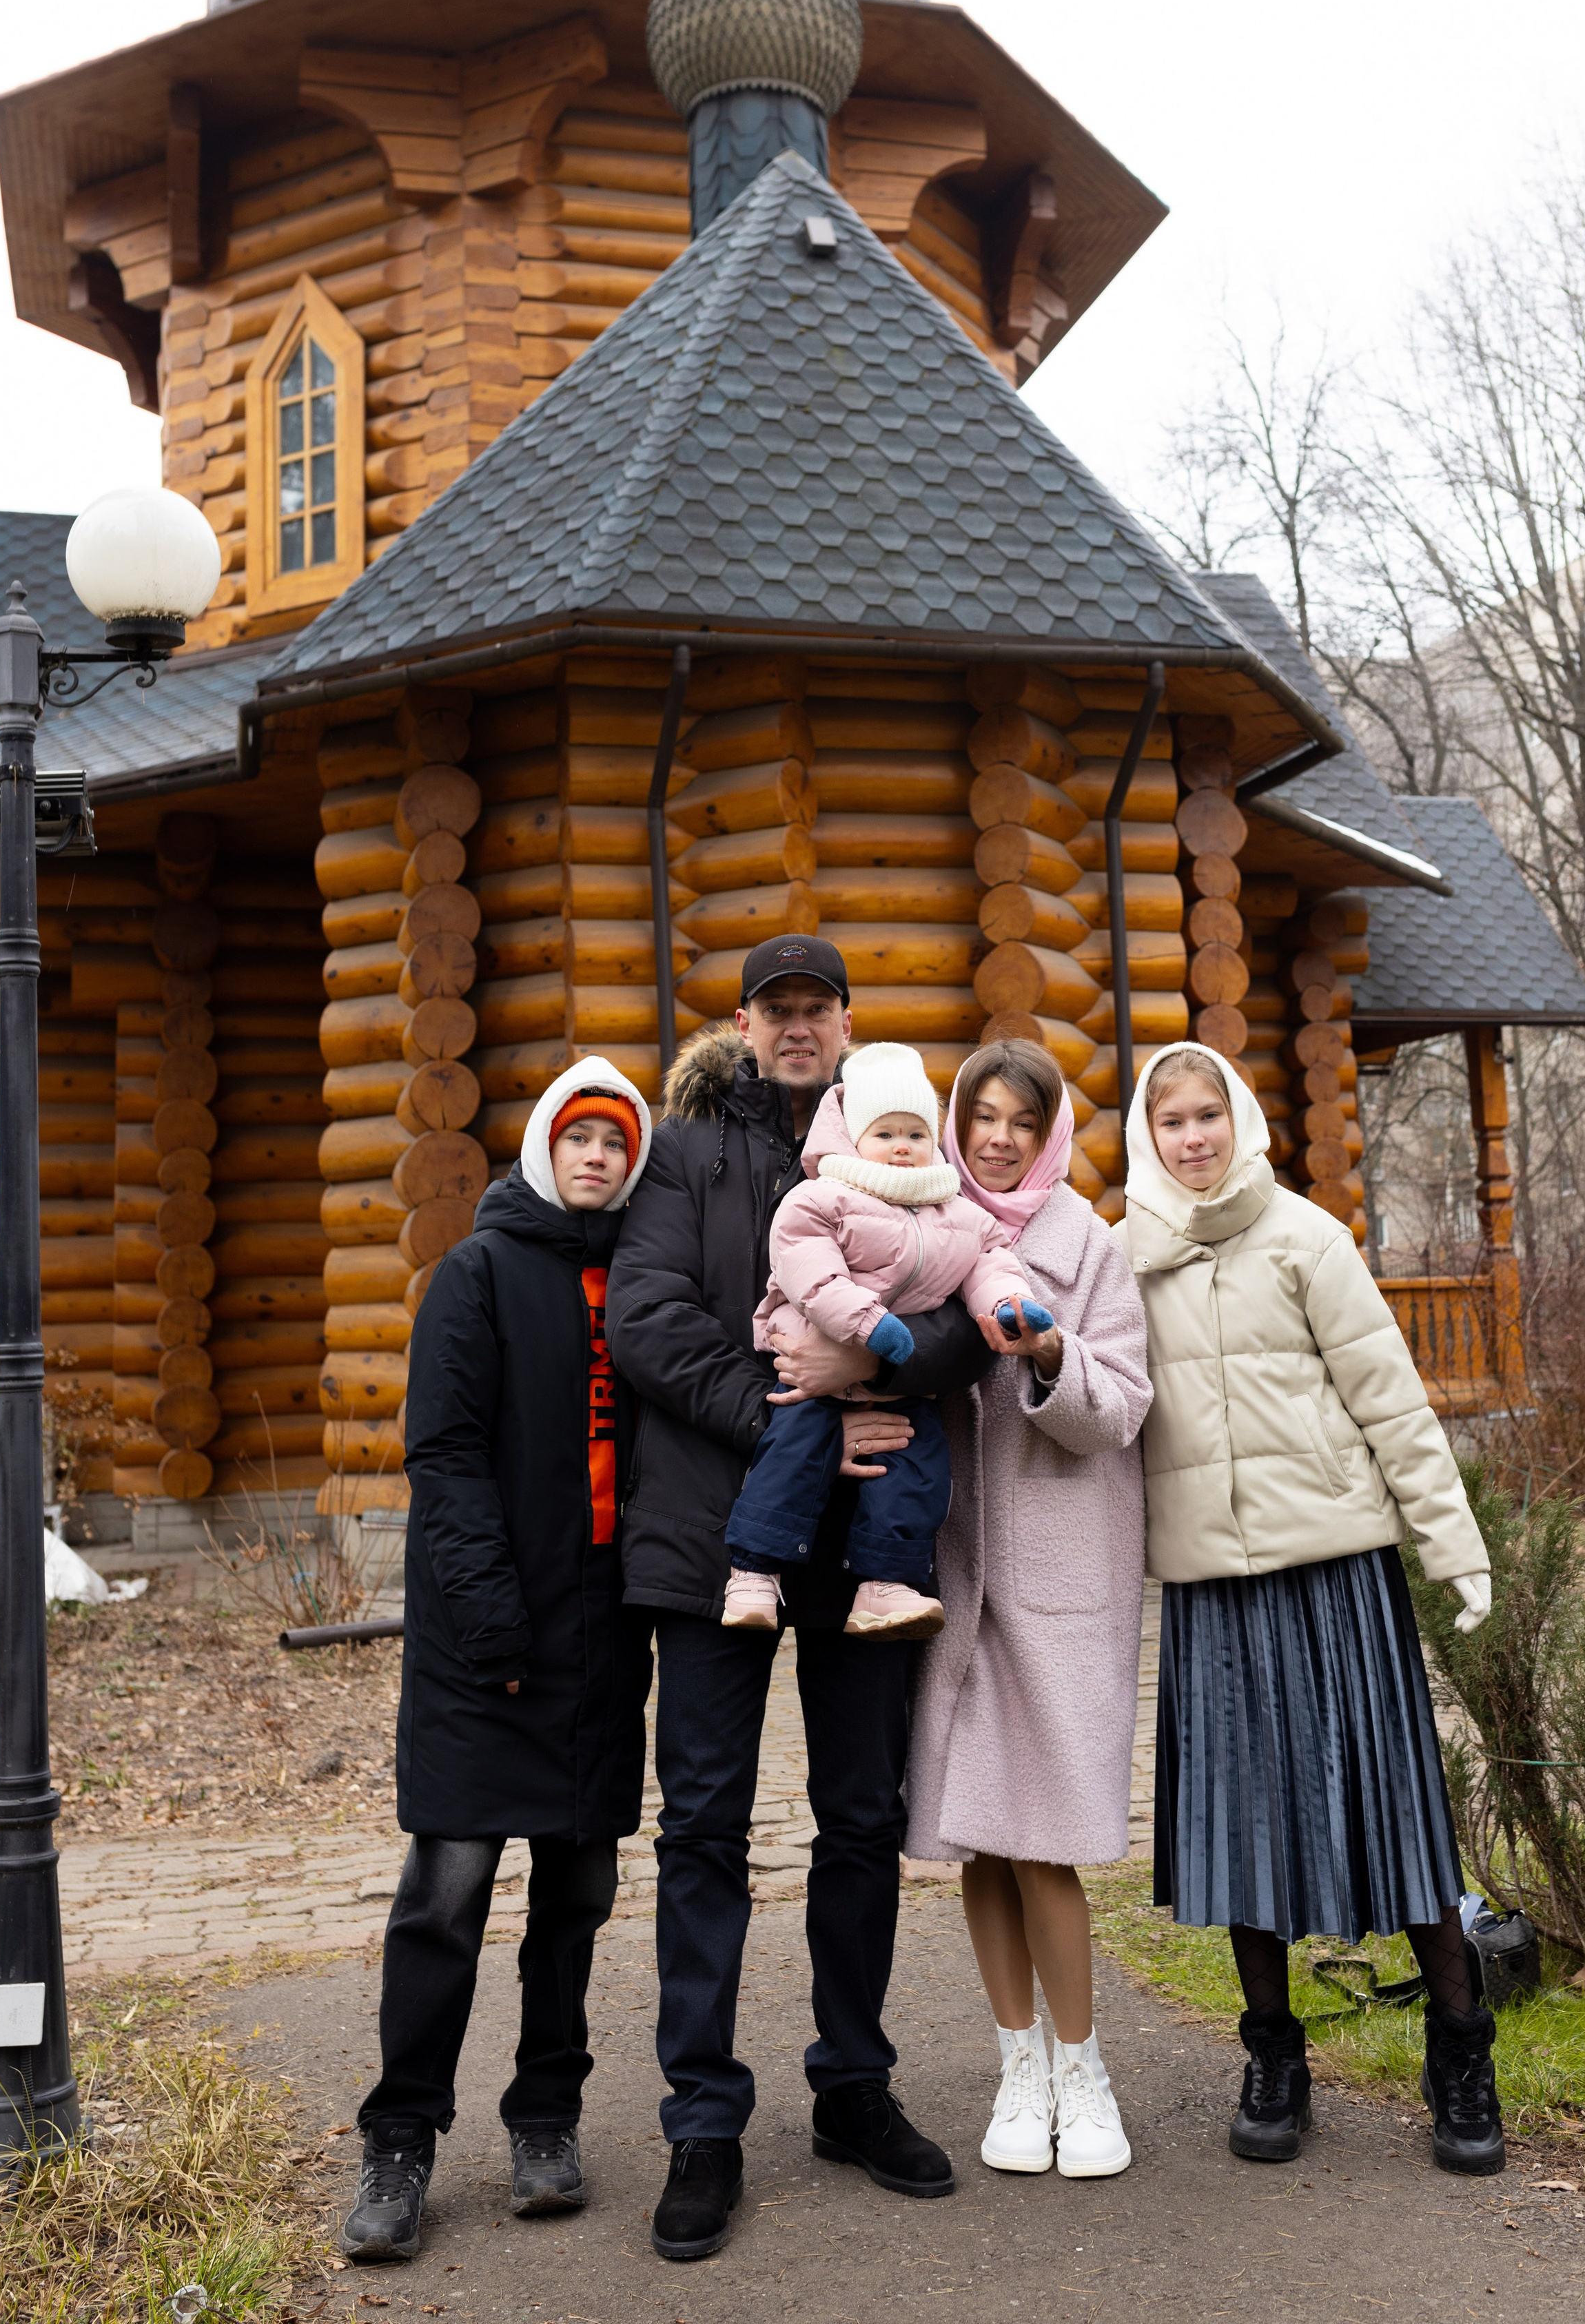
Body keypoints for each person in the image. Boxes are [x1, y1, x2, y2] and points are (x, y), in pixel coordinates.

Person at [606, 936, 991, 2263]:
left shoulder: (903, 1150)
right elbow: (648, 1319)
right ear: (745, 1022)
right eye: (777, 1010)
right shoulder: (683, 1154)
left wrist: (879, 1378)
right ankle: (703, 2121)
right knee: (705, 1827)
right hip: (710, 1541)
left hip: (866, 1547)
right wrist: (798, 1415)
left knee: (863, 1817)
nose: (796, 1028)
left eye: (816, 1009)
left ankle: (853, 2085)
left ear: (844, 1025)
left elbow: (967, 1306)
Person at [1119, 1040, 1502, 2177]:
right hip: (1213, 1593)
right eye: (1172, 1121)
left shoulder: (1305, 1239)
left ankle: (1461, 2051)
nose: (1193, 1137)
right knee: (1244, 1824)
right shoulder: (1126, 1258)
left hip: (1337, 1575)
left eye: (1208, 1114)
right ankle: (1274, 2058)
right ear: (1149, 1137)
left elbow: (1391, 1401)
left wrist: (1453, 1546)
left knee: (1398, 1810)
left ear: (1240, 1118)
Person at [340, 1058, 657, 2264]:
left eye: (616, 1143)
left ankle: (545, 2120)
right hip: (484, 1643)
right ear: (544, 1150)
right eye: (580, 1139)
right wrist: (489, 1620)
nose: (597, 1158)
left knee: (577, 1898)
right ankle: (400, 2140)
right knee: (447, 1895)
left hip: (600, 1638)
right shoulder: (476, 1273)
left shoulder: (643, 1275)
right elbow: (445, 1454)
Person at [905, 1039, 1152, 2181]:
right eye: (983, 1118)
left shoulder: (1089, 1247)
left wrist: (1051, 1351)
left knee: (1045, 1845)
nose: (999, 1139)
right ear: (957, 1125)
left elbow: (1122, 1409)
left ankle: (1083, 2068)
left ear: (1050, 1133)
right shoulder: (929, 1236)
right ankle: (1019, 2066)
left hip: (1059, 1578)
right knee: (980, 1839)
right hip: (955, 1574)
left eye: (1022, 1120)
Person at [726, 1040, 1054, 1640]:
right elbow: (808, 1269)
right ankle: (752, 1571)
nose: (902, 1146)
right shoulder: (822, 1197)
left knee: (918, 1468)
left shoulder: (954, 1211)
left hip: (899, 1379)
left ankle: (886, 1584)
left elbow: (989, 1261)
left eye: (915, 1133)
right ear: (853, 1139)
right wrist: (867, 1325)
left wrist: (1007, 1305)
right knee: (792, 1453)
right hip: (816, 1358)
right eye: (884, 1133)